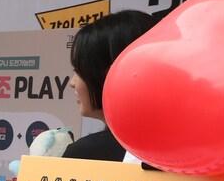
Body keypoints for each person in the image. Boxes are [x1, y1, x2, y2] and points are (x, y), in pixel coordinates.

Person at [62, 10, 156, 161]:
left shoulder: (85, 154)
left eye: (79, 71)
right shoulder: (188, 150)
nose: (72, 83)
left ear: (111, 73)